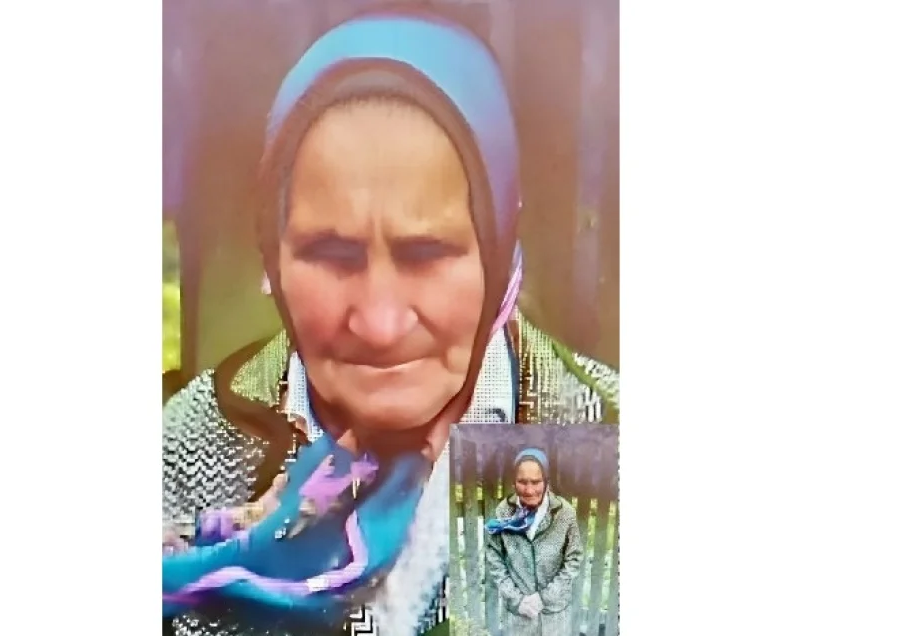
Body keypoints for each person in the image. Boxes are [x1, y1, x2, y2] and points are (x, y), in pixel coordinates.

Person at [161, 8, 619, 636]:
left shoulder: (607, 441)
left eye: (426, 254)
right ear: (273, 253)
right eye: (332, 254)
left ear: (497, 247)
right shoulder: (188, 449)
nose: (379, 323)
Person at [485, 449, 582, 636]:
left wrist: (544, 597)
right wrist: (517, 601)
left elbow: (574, 559)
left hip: (555, 617)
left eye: (536, 482)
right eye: (522, 482)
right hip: (518, 618)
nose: (529, 490)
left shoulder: (564, 513)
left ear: (546, 482)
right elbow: (494, 558)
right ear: (514, 483)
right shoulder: (503, 512)